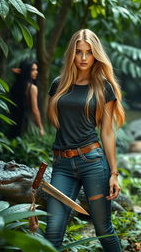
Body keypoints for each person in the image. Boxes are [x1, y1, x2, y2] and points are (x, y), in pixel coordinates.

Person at [45, 29, 125, 251]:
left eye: (89, 53)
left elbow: (107, 133)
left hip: (92, 162)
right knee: (52, 230)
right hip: (62, 165)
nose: (83, 58)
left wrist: (114, 173)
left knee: (103, 229)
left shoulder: (103, 88)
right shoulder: (58, 85)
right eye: (78, 52)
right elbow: (57, 121)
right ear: (71, 54)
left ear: (95, 54)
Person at [8, 60, 44, 138]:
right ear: (27, 71)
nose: (36, 72)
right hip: (26, 123)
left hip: (14, 121)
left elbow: (12, 70)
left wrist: (21, 72)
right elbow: (35, 110)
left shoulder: (16, 86)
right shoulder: (32, 88)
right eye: (33, 70)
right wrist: (41, 127)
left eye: (36, 69)